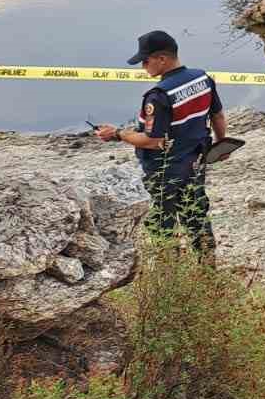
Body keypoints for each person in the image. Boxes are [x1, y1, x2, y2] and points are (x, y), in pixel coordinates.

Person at [94, 30, 225, 255]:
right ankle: (208, 272)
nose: (143, 67)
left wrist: (117, 133)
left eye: (145, 61)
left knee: (163, 224)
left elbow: (152, 141)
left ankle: (168, 274)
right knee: (196, 216)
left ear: (162, 59)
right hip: (195, 162)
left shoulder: (158, 95)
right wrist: (222, 145)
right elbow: (218, 116)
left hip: (165, 170)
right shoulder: (202, 78)